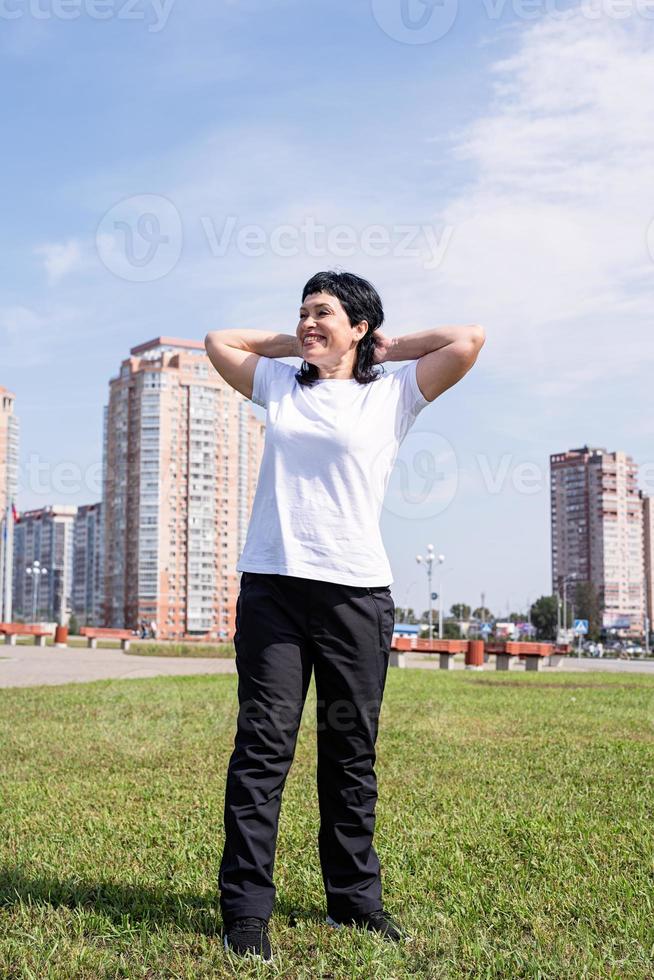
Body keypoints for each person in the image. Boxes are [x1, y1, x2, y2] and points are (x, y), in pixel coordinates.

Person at [204, 271, 485, 962]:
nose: (306, 321)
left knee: (350, 755)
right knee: (263, 751)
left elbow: (467, 338)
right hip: (274, 588)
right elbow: (218, 340)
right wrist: (304, 344)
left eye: (321, 312)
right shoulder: (279, 385)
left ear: (359, 325)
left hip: (356, 595)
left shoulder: (394, 393)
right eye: (301, 312)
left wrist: (378, 349)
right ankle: (246, 914)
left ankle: (354, 905)